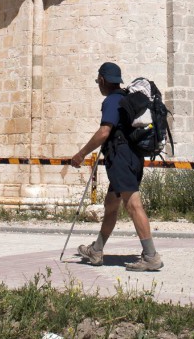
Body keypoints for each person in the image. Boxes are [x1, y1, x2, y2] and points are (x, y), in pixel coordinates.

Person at [70, 61, 163, 272]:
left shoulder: (112, 101)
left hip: (121, 159)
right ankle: (96, 249)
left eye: (98, 81)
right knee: (111, 204)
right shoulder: (125, 98)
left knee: (133, 205)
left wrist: (81, 154)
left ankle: (151, 256)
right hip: (132, 158)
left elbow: (104, 131)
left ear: (102, 80)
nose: (98, 84)